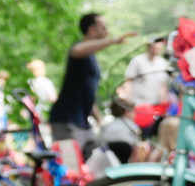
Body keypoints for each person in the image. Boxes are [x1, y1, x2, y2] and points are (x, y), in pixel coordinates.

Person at [48, 12, 135, 158]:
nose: (106, 31)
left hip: (82, 123)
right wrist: (113, 41)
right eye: (103, 27)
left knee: (92, 160)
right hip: (66, 121)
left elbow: (86, 95)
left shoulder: (91, 57)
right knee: (71, 166)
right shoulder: (79, 48)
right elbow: (76, 51)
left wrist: (100, 120)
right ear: (92, 30)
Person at [123, 36, 170, 107]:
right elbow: (128, 81)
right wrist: (127, 100)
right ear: (148, 46)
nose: (158, 46)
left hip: (154, 104)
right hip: (137, 103)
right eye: (156, 44)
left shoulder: (163, 63)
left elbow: (163, 85)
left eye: (160, 44)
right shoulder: (138, 61)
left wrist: (163, 103)